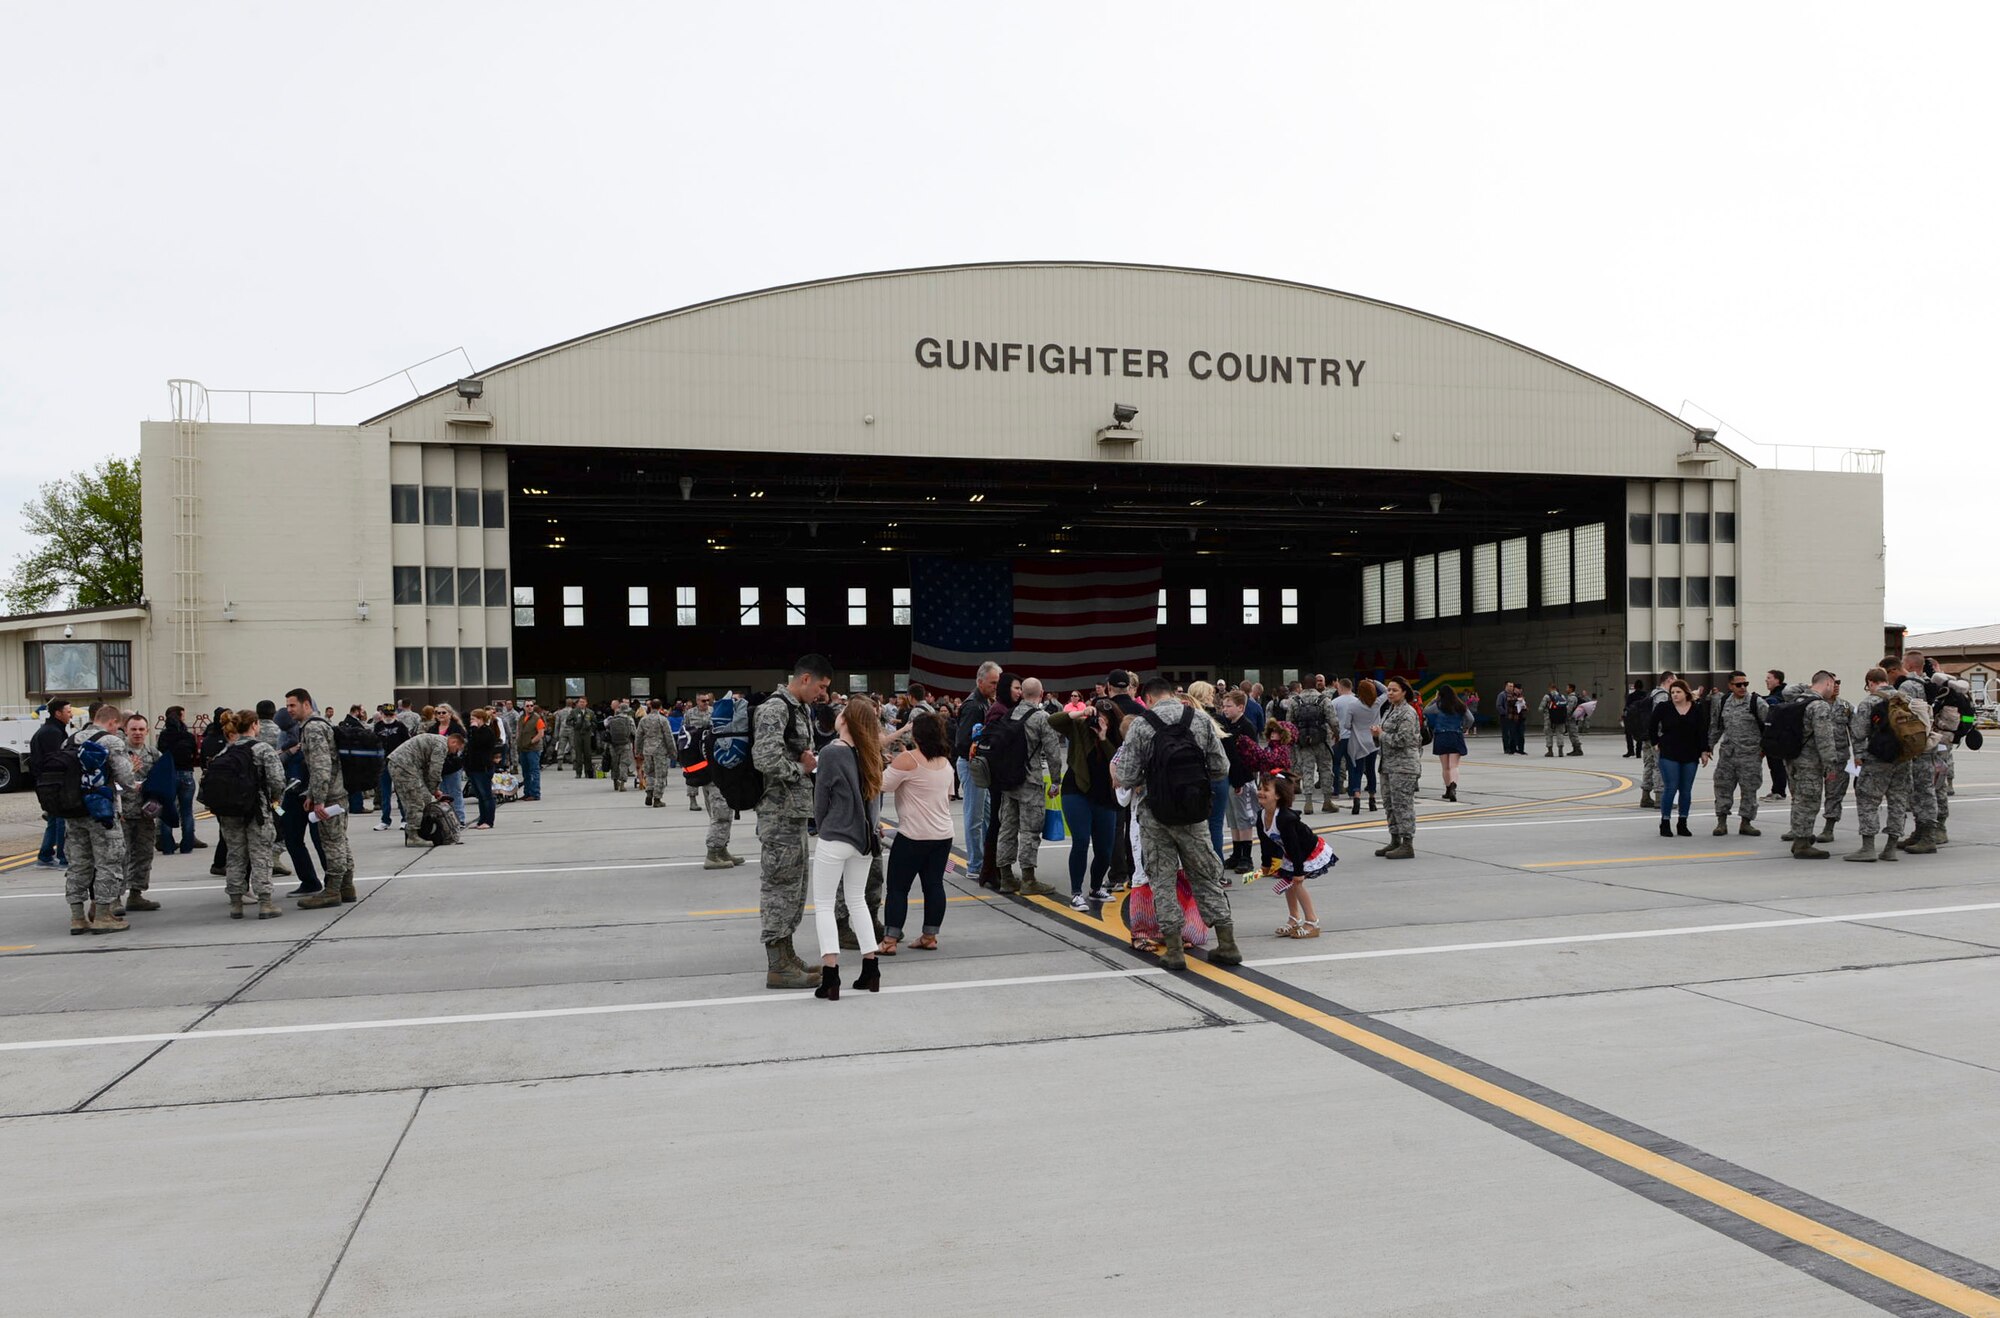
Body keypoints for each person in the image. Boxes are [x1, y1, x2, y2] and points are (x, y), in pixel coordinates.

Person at [1108, 676, 1240, 972]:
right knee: (1205, 875)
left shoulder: (1142, 725)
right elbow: (1221, 768)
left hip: (1156, 815)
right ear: (1172, 693)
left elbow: (1127, 776)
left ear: (1149, 698)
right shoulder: (1200, 719)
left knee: (1162, 880)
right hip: (1193, 814)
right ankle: (1227, 943)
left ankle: (1175, 949)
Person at [757, 655, 833, 990]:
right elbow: (765, 758)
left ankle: (787, 955)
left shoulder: (798, 707)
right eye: (822, 686)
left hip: (794, 811)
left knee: (794, 888)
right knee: (779, 888)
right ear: (805, 678)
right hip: (778, 813)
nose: (823, 693)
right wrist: (801, 769)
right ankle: (777, 965)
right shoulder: (776, 709)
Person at [807, 694, 884, 1002]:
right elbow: (876, 802)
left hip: (836, 835)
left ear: (846, 720)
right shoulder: (870, 753)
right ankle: (871, 968)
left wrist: (822, 826)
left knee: (824, 904)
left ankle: (831, 974)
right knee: (858, 901)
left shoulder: (830, 753)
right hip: (864, 840)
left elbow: (820, 799)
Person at [879, 710, 956, 953]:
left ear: (917, 735)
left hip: (913, 835)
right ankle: (929, 936)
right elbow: (949, 795)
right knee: (934, 884)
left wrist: (883, 763)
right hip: (943, 835)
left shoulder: (908, 759)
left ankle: (889, 940)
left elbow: (881, 784)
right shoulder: (945, 763)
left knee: (898, 887)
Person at [212, 709, 288, 919]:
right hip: (257, 811)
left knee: (235, 855)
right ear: (254, 725)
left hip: (230, 814)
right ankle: (265, 903)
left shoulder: (225, 752)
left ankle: (236, 903)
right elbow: (277, 781)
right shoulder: (263, 749)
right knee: (261, 855)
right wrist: (275, 802)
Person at [992, 676, 1064, 897]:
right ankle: (1028, 879)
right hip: (1030, 781)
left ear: (1022, 693)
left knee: (1007, 829)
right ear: (1041, 695)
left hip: (1008, 781)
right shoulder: (1042, 718)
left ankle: (1005, 876)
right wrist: (1056, 780)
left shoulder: (1010, 713)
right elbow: (1053, 752)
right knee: (1030, 831)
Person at [1050, 697, 1120, 906]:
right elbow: (1053, 720)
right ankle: (1076, 892)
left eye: (1105, 719)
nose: (1100, 722)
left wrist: (1104, 736)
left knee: (1105, 848)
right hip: (1076, 791)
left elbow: (1118, 761)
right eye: (1099, 718)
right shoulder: (1080, 728)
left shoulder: (1117, 735)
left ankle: (1096, 887)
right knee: (1080, 841)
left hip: (1104, 796)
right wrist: (1081, 713)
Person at [291, 688, 358, 907]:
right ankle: (347, 887)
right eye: (287, 706)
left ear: (306, 704)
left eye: (293, 705)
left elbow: (321, 765)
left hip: (330, 796)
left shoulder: (313, 728)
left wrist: (318, 799)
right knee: (340, 841)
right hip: (337, 791)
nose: (289, 710)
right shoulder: (320, 724)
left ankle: (332, 891)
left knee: (332, 843)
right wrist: (312, 793)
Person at [1845, 667, 1912, 863]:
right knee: (1898, 802)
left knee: (1868, 800)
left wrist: (1859, 755)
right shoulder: (1905, 698)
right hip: (1903, 758)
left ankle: (1868, 848)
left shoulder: (1869, 702)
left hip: (1878, 759)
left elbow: (1858, 732)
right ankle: (1890, 848)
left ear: (1871, 682)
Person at [1255, 771, 1333, 937]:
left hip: (1306, 851)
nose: (1260, 792)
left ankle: (1312, 922)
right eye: (1260, 788)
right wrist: (1266, 864)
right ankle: (1294, 919)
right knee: (1288, 883)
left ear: (1277, 796)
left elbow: (1295, 847)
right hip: (1290, 853)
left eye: (1266, 790)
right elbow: (1265, 843)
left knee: (1296, 883)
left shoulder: (1285, 818)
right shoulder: (1261, 816)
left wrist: (1298, 872)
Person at [1779, 672, 1839, 859]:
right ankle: (1802, 843)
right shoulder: (1819, 705)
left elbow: (1788, 689)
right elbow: (1825, 738)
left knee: (1799, 800)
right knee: (1809, 801)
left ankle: (1800, 837)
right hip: (1810, 762)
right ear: (1828, 683)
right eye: (1833, 683)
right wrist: (1831, 765)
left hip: (1792, 758)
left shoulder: (1796, 700)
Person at [952, 662, 1002, 880]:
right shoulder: (974, 706)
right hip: (972, 765)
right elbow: (962, 742)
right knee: (975, 817)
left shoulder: (984, 703)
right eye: (992, 682)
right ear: (980, 681)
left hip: (977, 765)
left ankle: (985, 860)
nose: (995, 686)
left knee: (987, 815)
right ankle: (975, 865)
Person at [1705, 671, 1766, 837]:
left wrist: (1765, 749)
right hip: (1728, 755)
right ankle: (1721, 822)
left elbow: (1769, 726)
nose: (1743, 688)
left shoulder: (1756, 702)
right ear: (1730, 686)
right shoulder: (1724, 701)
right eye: (1739, 685)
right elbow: (1716, 726)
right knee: (1722, 788)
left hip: (1750, 755)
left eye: (1745, 684)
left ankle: (1746, 823)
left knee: (1750, 790)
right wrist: (1708, 746)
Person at [1650, 679, 1709, 837]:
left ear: (1686, 693)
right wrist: (1655, 742)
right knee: (1671, 787)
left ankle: (1683, 822)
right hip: (1669, 752)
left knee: (1686, 789)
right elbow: (1652, 724)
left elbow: (1702, 731)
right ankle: (1665, 822)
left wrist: (1704, 751)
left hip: (1690, 753)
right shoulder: (1664, 707)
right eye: (1672, 692)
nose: (1675, 695)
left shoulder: (1696, 709)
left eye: (1678, 692)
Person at [117, 713, 163, 914]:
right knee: (120, 857)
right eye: (133, 729)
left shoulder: (154, 754)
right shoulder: (117, 753)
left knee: (144, 855)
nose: (137, 733)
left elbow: (163, 783)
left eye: (141, 729)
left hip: (145, 815)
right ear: (125, 730)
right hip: (122, 815)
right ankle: (115, 898)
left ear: (147, 731)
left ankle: (136, 894)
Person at [1373, 677, 1423, 859]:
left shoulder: (1407, 713)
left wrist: (1382, 734)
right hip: (1388, 765)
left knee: (1403, 805)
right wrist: (1377, 735)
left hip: (1403, 766)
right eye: (1388, 690)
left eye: (1394, 690)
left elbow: (1404, 740)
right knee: (1389, 804)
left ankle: (1407, 843)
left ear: (1404, 692)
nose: (1390, 693)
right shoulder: (1390, 710)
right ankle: (1395, 839)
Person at [388, 726, 459, 847]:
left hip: (405, 765)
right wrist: (435, 789)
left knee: (425, 797)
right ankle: (413, 836)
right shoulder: (442, 746)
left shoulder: (436, 741)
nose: (455, 752)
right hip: (403, 766)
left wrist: (433, 791)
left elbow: (427, 770)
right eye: (457, 748)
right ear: (453, 742)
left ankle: (421, 831)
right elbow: (435, 770)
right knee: (415, 800)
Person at [1217, 690, 1261, 873]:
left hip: (1242, 779)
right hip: (1231, 777)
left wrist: (1240, 781)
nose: (1225, 709)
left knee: (1244, 818)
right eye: (1224, 706)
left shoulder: (1246, 727)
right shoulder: (1229, 725)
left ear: (1240, 707)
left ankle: (1246, 856)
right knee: (1233, 818)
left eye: (1229, 706)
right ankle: (1236, 853)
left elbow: (1247, 758)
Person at [154, 705, 203, 854]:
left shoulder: (163, 736)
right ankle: (187, 844)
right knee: (187, 811)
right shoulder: (188, 736)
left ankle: (168, 845)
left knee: (167, 810)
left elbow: (160, 752)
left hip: (169, 774)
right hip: (186, 773)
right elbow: (195, 753)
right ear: (181, 717)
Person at [31, 699, 73, 871]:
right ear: (58, 713)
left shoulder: (51, 730)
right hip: (53, 783)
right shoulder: (52, 733)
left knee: (55, 818)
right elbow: (56, 759)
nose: (71, 714)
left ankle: (46, 855)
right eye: (68, 711)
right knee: (61, 818)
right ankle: (63, 858)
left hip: (47, 782)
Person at [1288, 677, 1337, 814]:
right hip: (1322, 741)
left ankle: (1308, 803)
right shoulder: (1324, 699)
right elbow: (1333, 720)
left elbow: (1289, 722)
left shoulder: (1295, 701)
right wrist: (1336, 734)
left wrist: (1295, 739)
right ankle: (1327, 801)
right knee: (1326, 769)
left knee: (1307, 770)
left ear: (1302, 686)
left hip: (1304, 742)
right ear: (1315, 685)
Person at [1338, 679, 1381, 816]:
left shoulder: (1353, 706)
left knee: (1356, 770)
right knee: (1371, 771)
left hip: (1357, 742)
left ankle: (1356, 796)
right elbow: (1386, 692)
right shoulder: (1377, 703)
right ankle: (1372, 799)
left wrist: (1355, 726)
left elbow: (1346, 725)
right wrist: (1375, 681)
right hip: (1372, 742)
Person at [1639, 671, 1677, 810]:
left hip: (1647, 735)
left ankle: (1645, 796)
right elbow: (1659, 715)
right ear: (1670, 679)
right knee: (1659, 766)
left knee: (1648, 765)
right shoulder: (1662, 695)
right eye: (1675, 680)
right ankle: (1660, 798)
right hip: (1658, 736)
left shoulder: (1652, 693)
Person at [1426, 684, 1470, 802]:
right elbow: (1471, 719)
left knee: (1445, 767)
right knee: (1454, 765)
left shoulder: (1438, 706)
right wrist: (1464, 727)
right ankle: (1453, 787)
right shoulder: (1460, 706)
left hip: (1441, 736)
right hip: (1455, 735)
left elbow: (1426, 710)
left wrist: (1435, 699)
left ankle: (1447, 789)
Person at [463, 707, 501, 830]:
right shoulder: (473, 731)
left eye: (473, 719)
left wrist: (474, 728)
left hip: (483, 767)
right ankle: (482, 820)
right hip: (473, 767)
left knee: (486, 795)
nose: (471, 722)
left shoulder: (486, 732)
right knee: (480, 796)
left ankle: (489, 821)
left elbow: (477, 743)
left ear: (481, 719)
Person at [1760, 670, 1790, 802]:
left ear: (1777, 680)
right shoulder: (1774, 694)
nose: (1766, 680)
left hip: (1780, 736)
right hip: (1773, 736)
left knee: (1778, 764)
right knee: (1773, 764)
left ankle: (1780, 791)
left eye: (1769, 678)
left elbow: (1775, 703)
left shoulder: (1782, 694)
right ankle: (1776, 789)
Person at [637, 699, 674, 807]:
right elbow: (669, 736)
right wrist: (673, 751)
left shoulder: (643, 720)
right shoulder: (662, 720)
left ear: (650, 707)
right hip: (660, 750)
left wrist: (638, 750)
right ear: (660, 707)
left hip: (647, 750)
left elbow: (638, 736)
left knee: (649, 773)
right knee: (660, 775)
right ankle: (657, 798)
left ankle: (649, 792)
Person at [514, 698, 546, 801]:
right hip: (523, 748)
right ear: (524, 707)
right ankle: (527, 793)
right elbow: (519, 731)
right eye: (527, 706)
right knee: (525, 772)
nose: (530, 707)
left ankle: (535, 793)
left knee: (534, 771)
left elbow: (541, 733)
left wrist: (531, 742)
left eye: (531, 705)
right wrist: (518, 741)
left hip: (533, 749)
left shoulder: (537, 718)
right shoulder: (521, 718)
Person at [602, 701, 637, 791]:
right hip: (626, 744)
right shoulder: (629, 719)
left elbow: (607, 730)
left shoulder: (611, 719)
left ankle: (615, 781)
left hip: (613, 745)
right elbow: (634, 732)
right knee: (624, 764)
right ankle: (622, 784)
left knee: (615, 763)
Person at [1542, 682, 1580, 757]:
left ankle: (1577, 749)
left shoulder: (1547, 696)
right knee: (1560, 734)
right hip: (1561, 719)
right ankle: (1561, 751)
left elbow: (1541, 708)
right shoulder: (1562, 696)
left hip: (1556, 718)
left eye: (1567, 688)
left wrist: (1547, 712)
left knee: (1549, 734)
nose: (1566, 689)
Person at [568, 697, 597, 779]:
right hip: (577, 734)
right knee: (578, 754)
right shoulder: (574, 712)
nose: (582, 703)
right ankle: (578, 773)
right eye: (580, 702)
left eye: (583, 702)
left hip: (587, 734)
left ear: (586, 703)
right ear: (578, 703)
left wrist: (590, 725)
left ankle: (588, 772)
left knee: (588, 754)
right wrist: (574, 723)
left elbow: (595, 722)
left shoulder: (590, 712)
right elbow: (568, 721)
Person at [1621, 680, 1648, 757]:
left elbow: (1626, 707)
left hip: (1631, 717)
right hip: (1642, 718)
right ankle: (1638, 752)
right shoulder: (1645, 695)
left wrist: (1624, 715)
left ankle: (1630, 751)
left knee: (1628, 734)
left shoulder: (1631, 696)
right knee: (1640, 734)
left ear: (1635, 686)